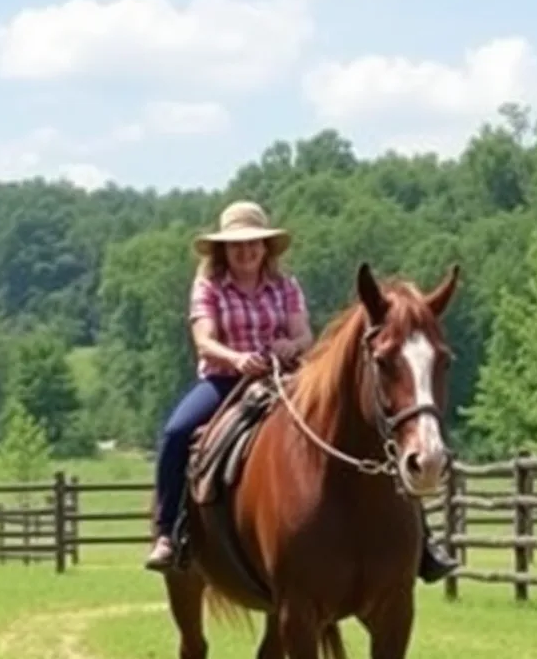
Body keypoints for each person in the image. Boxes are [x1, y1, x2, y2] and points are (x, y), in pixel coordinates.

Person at [144, 199, 456, 583]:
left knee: (377, 435)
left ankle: (421, 540)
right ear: (224, 249)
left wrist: (291, 347)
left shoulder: (285, 286)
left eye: (254, 243)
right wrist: (238, 358)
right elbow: (204, 340)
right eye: (237, 244)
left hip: (287, 376)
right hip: (225, 380)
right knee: (177, 432)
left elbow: (303, 333)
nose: (246, 251)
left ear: (266, 248)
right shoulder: (208, 286)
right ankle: (168, 533)